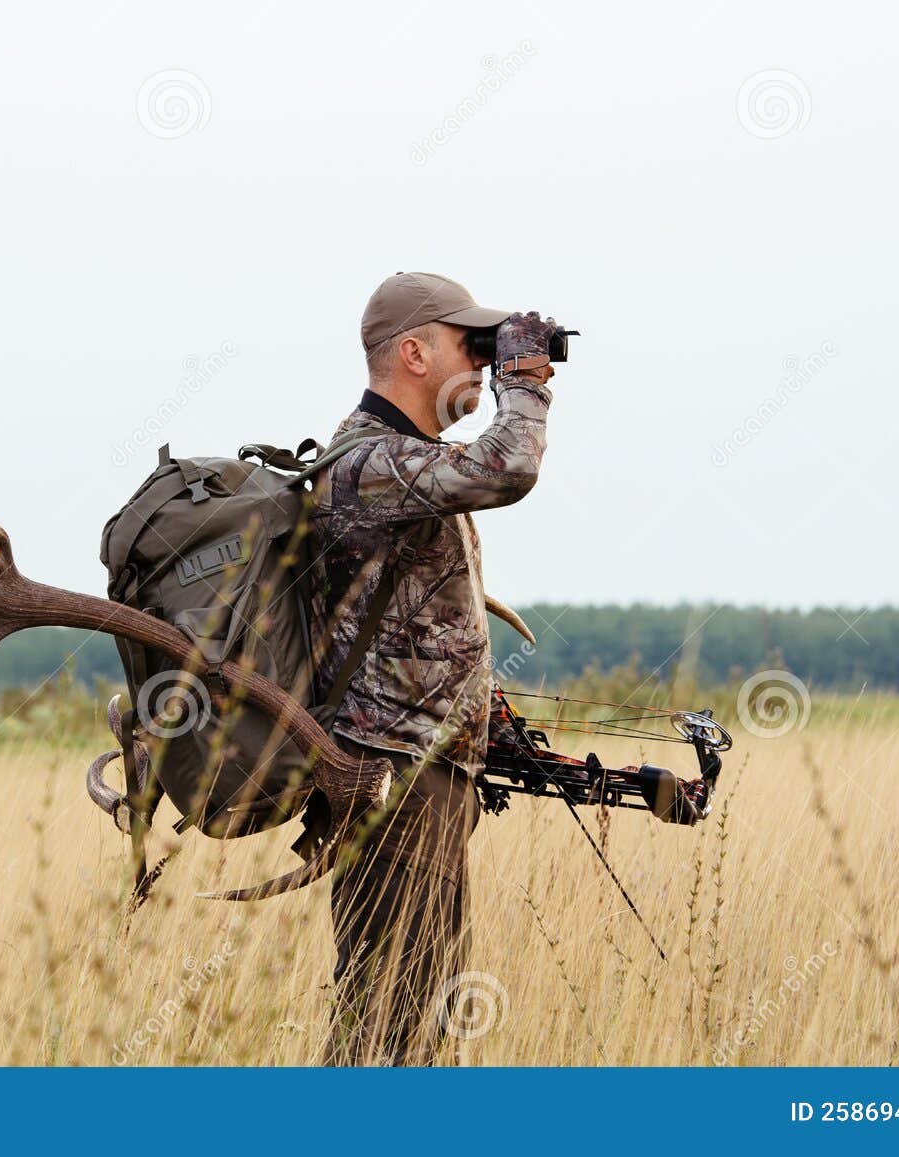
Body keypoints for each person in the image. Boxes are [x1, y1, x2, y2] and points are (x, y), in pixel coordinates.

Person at [306, 271, 557, 1064]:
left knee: (416, 1014)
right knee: (390, 1019)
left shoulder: (402, 465)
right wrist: (526, 377)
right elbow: (508, 466)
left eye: (491, 348)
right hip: (392, 785)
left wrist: (484, 718)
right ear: (412, 353)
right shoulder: (365, 463)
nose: (482, 360)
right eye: (470, 343)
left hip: (427, 777)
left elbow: (414, 628)